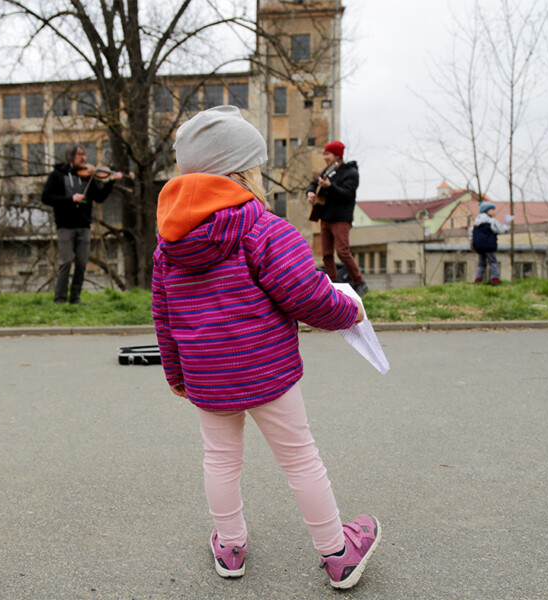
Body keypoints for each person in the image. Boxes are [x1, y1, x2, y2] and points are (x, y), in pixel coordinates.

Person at [152, 106, 382, 590]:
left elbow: (165, 316)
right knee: (299, 457)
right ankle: (337, 553)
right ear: (244, 170)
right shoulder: (263, 228)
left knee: (219, 458)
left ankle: (231, 545)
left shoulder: (169, 241)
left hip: (207, 375)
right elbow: (305, 293)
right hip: (268, 371)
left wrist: (176, 373)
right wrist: (350, 312)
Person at [41, 144, 122, 304]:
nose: (84, 158)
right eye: (80, 155)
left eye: (85, 155)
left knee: (82, 262)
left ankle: (75, 298)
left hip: (84, 225)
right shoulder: (57, 175)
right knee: (65, 262)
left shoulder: (88, 176)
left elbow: (99, 197)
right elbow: (46, 198)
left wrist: (111, 182)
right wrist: (70, 199)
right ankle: (59, 298)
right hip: (65, 226)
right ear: (71, 156)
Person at [306, 141, 368, 296]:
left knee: (342, 251)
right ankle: (332, 286)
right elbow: (313, 183)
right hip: (326, 217)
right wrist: (310, 192)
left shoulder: (351, 173)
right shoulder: (328, 171)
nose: (325, 157)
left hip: (341, 218)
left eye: (328, 154)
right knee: (326, 253)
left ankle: (359, 282)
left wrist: (330, 187)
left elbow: (346, 194)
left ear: (337, 155)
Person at [469, 201, 514, 286]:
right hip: (489, 246)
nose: (494, 211)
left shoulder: (476, 222)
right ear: (487, 211)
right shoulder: (492, 221)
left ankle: (478, 279)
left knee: (481, 263)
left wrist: (472, 245)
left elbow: (471, 234)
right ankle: (495, 279)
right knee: (493, 262)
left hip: (479, 246)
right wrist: (507, 225)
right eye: (492, 209)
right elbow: (500, 230)